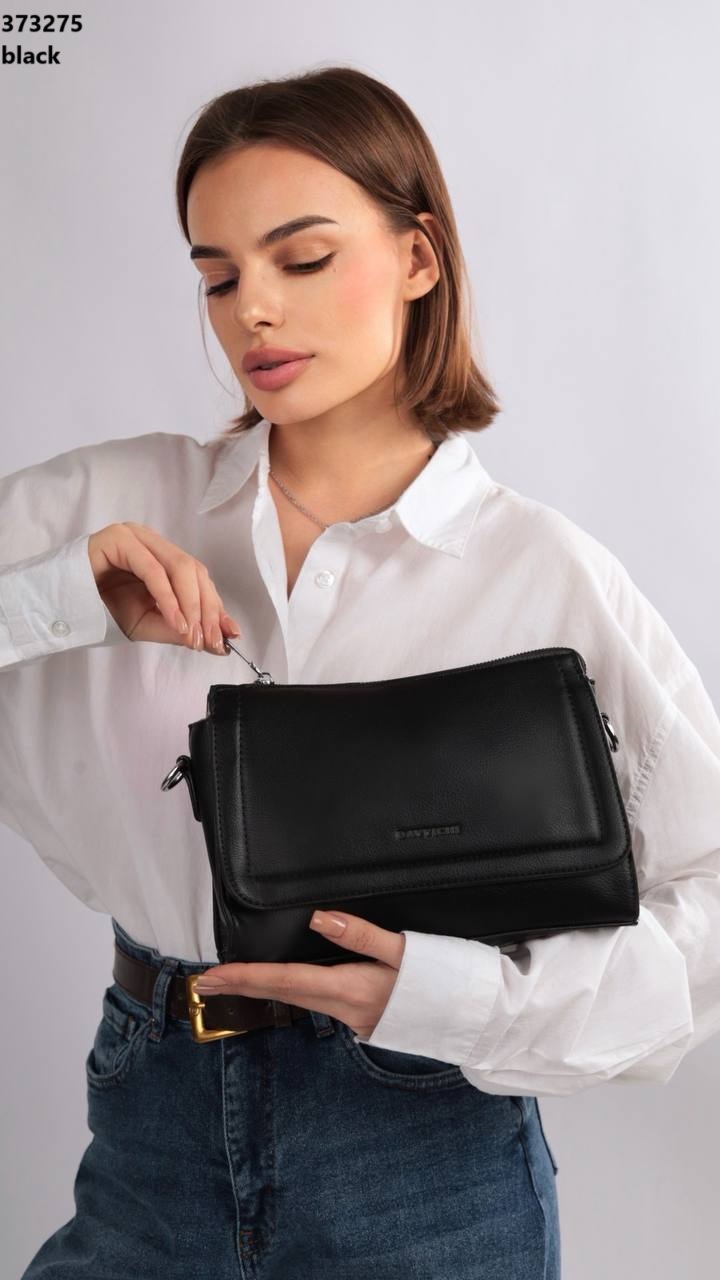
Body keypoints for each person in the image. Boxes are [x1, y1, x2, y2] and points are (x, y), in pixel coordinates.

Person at [4, 65, 719, 1280]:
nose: (252, 310)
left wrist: (456, 996)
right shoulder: (107, 508)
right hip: (149, 1129)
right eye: (218, 275)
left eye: (303, 258)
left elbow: (706, 896)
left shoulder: (541, 573)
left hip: (425, 1153)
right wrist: (61, 596)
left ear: (419, 258)